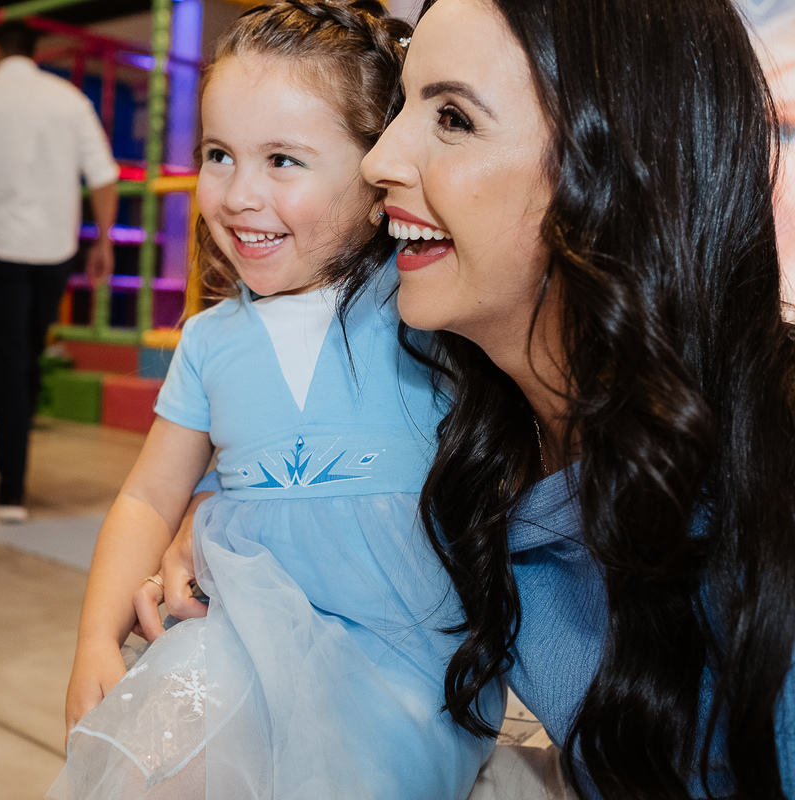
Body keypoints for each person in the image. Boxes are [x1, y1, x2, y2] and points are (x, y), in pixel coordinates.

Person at [52, 3, 501, 798]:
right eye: (218, 154)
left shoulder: (425, 309)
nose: (237, 193)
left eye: (283, 160)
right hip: (236, 649)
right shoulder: (209, 341)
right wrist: (95, 637)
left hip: (403, 672)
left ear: (379, 177)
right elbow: (147, 497)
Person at [357, 0, 795, 796]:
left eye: (453, 118)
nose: (378, 160)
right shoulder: (465, 422)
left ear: (617, 171)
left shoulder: (768, 508)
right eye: (401, 107)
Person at [0, 21, 120, 522]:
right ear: (37, 52)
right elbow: (104, 176)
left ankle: (10, 487)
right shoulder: (70, 99)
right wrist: (102, 241)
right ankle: (15, 467)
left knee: (8, 360)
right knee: (29, 355)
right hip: (55, 250)